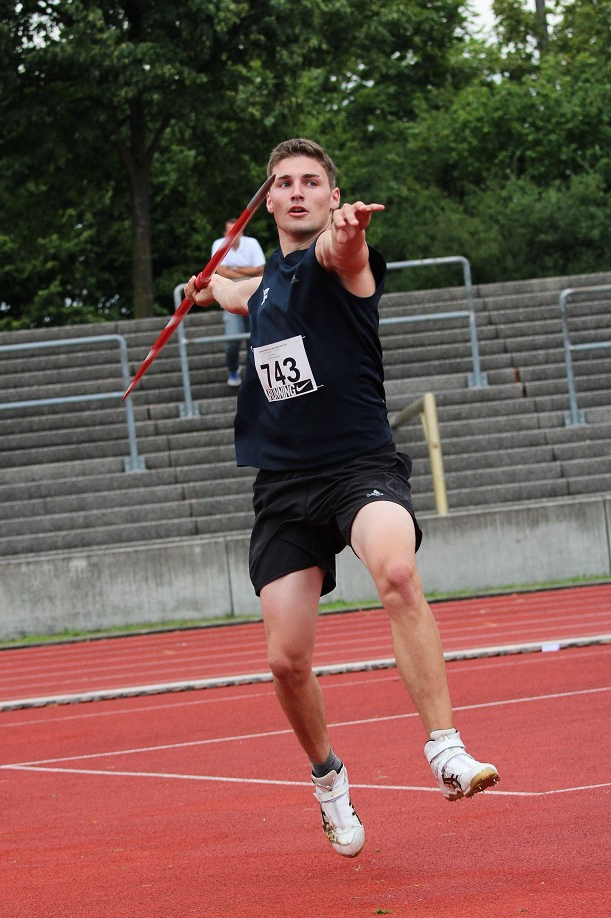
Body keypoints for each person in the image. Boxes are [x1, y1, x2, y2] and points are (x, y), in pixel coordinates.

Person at [185, 138, 499, 858]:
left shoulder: (341, 262)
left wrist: (351, 232)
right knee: (285, 662)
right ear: (267, 201)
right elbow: (237, 292)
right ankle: (328, 780)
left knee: (396, 571)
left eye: (312, 183)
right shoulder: (261, 286)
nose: (298, 191)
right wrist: (206, 291)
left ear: (331, 196)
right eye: (284, 183)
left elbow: (342, 254)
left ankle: (446, 750)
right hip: (284, 490)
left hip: (359, 466)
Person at [211, 218, 266, 387]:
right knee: (233, 338)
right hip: (231, 292)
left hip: (252, 293)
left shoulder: (252, 243)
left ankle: (254, 373)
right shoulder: (218, 244)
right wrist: (246, 272)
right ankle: (233, 370)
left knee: (256, 337)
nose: (234, 234)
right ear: (225, 234)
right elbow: (220, 271)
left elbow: (260, 269)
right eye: (230, 231)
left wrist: (232, 270)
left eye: (237, 230)